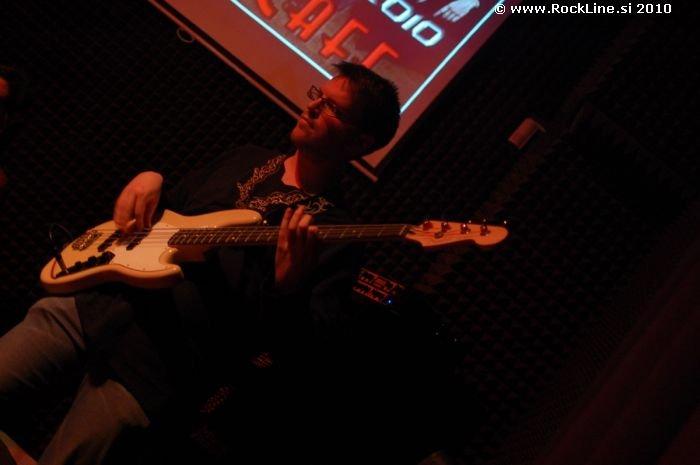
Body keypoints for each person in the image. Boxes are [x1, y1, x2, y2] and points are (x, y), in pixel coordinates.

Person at [0, 61, 400, 464]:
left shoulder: (335, 232)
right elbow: (170, 215)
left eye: (332, 108)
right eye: (318, 95)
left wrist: (288, 290)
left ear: (360, 142)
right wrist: (151, 180)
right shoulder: (246, 157)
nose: (311, 107)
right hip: (98, 305)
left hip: (155, 368)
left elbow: (302, 354)